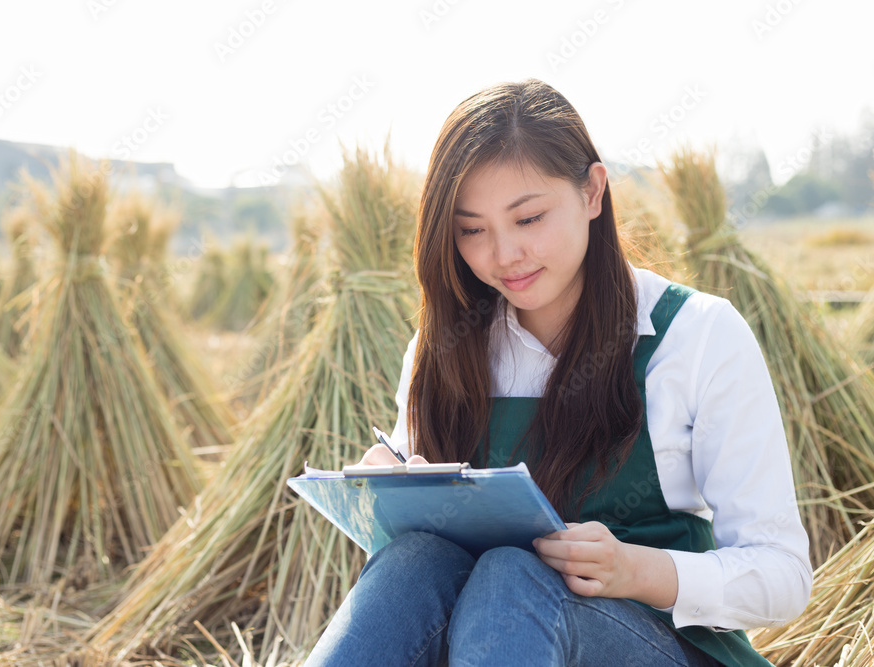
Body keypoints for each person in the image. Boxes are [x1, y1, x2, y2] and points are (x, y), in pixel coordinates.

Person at [303, 79, 812, 667]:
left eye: (529, 218)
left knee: (510, 578)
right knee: (412, 559)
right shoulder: (440, 351)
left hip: (659, 647)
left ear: (593, 192)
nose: (504, 254)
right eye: (472, 230)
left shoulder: (696, 336)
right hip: (492, 646)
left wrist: (632, 569)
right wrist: (385, 496)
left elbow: (783, 574)